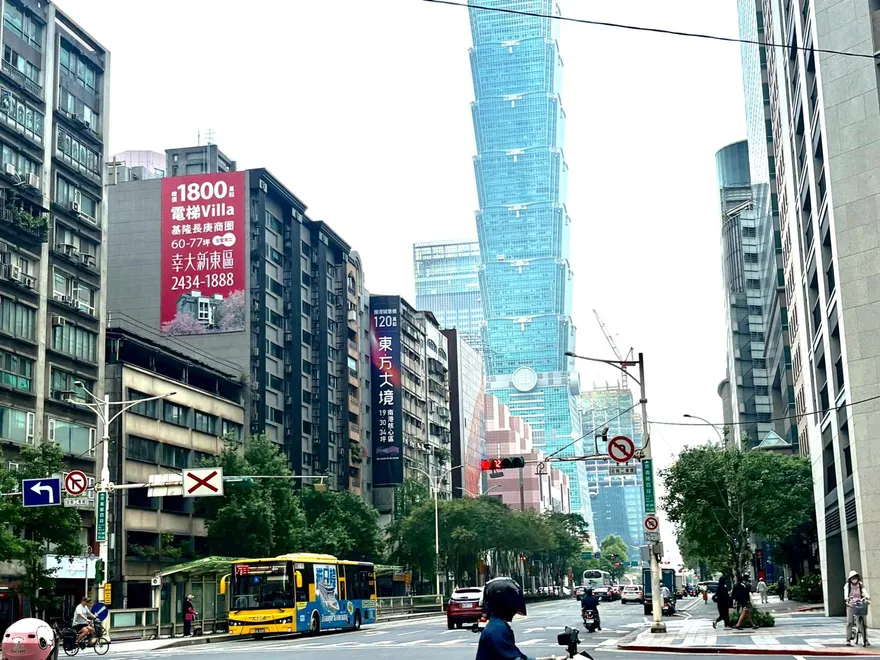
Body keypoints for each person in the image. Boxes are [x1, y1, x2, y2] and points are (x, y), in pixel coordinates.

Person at [476, 577, 558, 660]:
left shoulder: (496, 624)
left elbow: (518, 656)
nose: (515, 611)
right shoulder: (498, 629)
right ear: (505, 603)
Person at [845, 570, 870, 647]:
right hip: (851, 604)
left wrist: (867, 596)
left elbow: (864, 591)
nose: (854, 579)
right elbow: (846, 593)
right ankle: (848, 640)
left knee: (863, 623)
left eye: (855, 578)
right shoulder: (847, 585)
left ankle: (865, 639)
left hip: (859, 603)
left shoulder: (860, 584)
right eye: (852, 578)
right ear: (850, 579)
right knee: (850, 622)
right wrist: (846, 598)